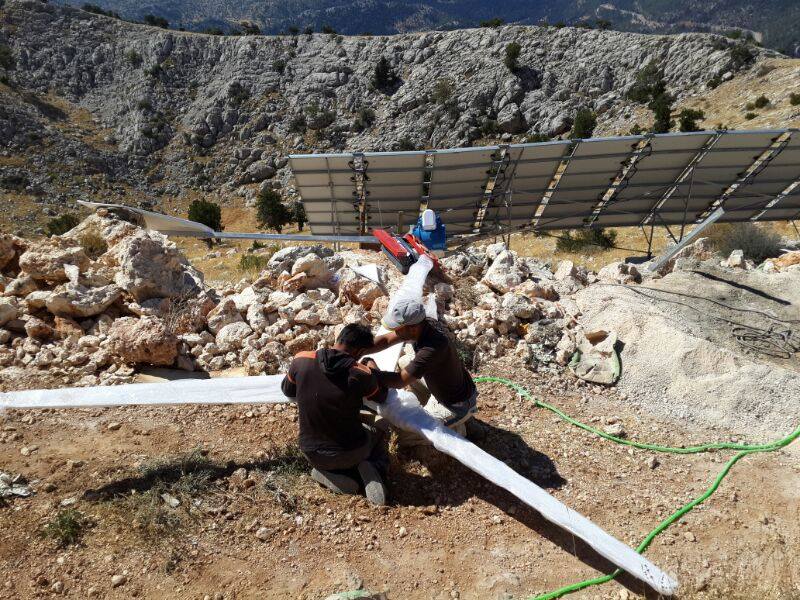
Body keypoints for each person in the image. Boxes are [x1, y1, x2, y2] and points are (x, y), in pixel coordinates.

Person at [281, 324, 389, 505]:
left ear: (339, 338)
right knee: (379, 428)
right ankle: (375, 469)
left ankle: (331, 475)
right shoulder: (361, 373)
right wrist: (372, 367)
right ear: (360, 351)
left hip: (311, 452)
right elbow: (382, 396)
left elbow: (287, 390)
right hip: (352, 453)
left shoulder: (301, 360)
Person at [370, 298, 478, 437]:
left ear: (412, 328)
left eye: (397, 327)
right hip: (450, 387)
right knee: (405, 362)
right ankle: (454, 419)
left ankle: (457, 431)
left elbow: (399, 381)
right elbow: (386, 340)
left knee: (402, 434)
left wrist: (369, 373)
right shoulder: (423, 326)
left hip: (455, 405)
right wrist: (359, 348)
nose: (395, 331)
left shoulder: (432, 348)